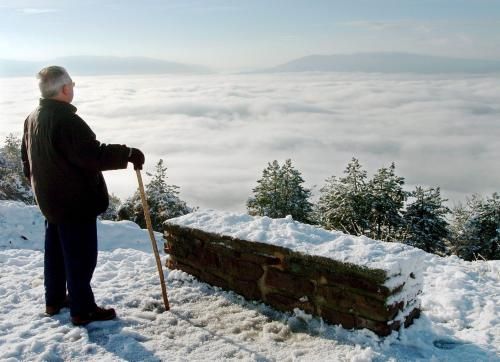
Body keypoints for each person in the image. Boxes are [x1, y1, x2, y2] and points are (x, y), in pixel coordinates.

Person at [21, 66, 145, 326]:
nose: (73, 88)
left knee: (55, 253)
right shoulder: (66, 120)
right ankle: (83, 309)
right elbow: (92, 154)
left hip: (50, 200)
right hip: (74, 202)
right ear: (65, 89)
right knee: (80, 257)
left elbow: (27, 161)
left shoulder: (32, 117)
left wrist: (42, 186)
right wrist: (129, 153)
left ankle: (54, 300)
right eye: (72, 84)